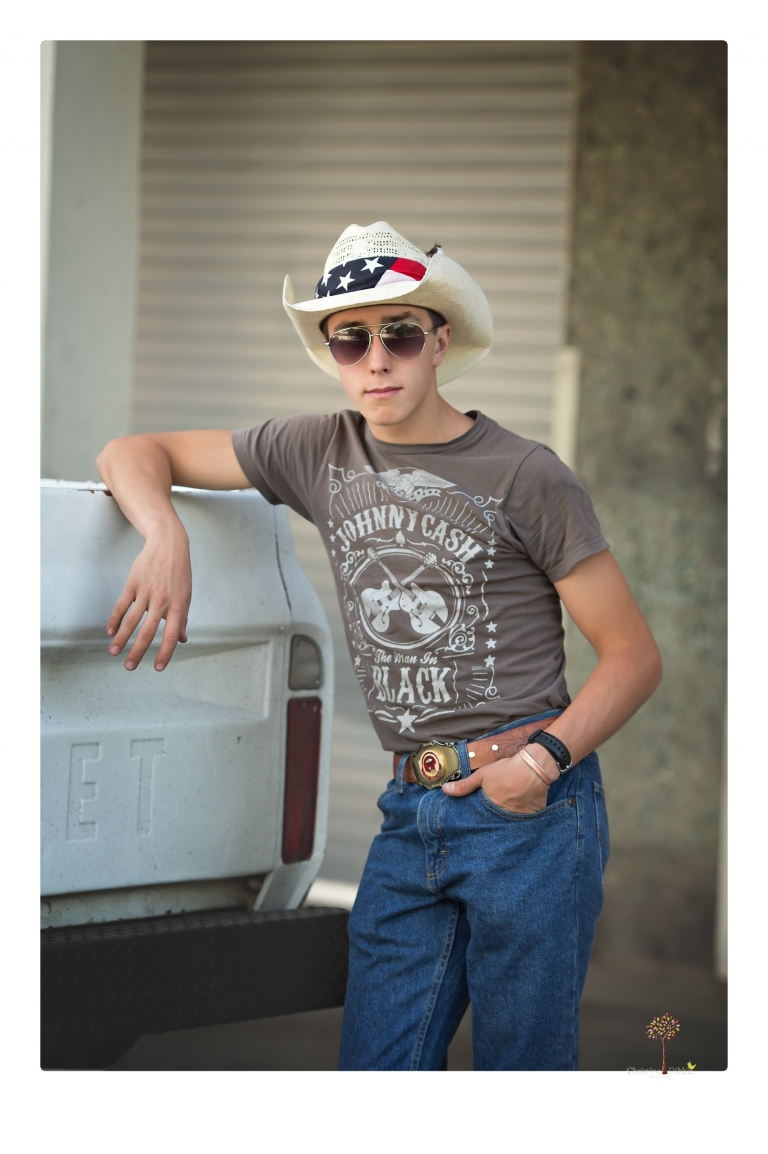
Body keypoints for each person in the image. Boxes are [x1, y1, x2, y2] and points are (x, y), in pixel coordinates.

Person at [97, 221, 662, 1070]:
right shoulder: (317, 449)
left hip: (530, 811)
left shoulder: (525, 473)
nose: (376, 360)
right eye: (350, 338)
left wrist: (539, 764)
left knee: (525, 1078)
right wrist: (163, 535)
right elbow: (132, 450)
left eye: (398, 334)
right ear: (331, 350)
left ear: (438, 342)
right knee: (376, 1077)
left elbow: (632, 656)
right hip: (411, 808)